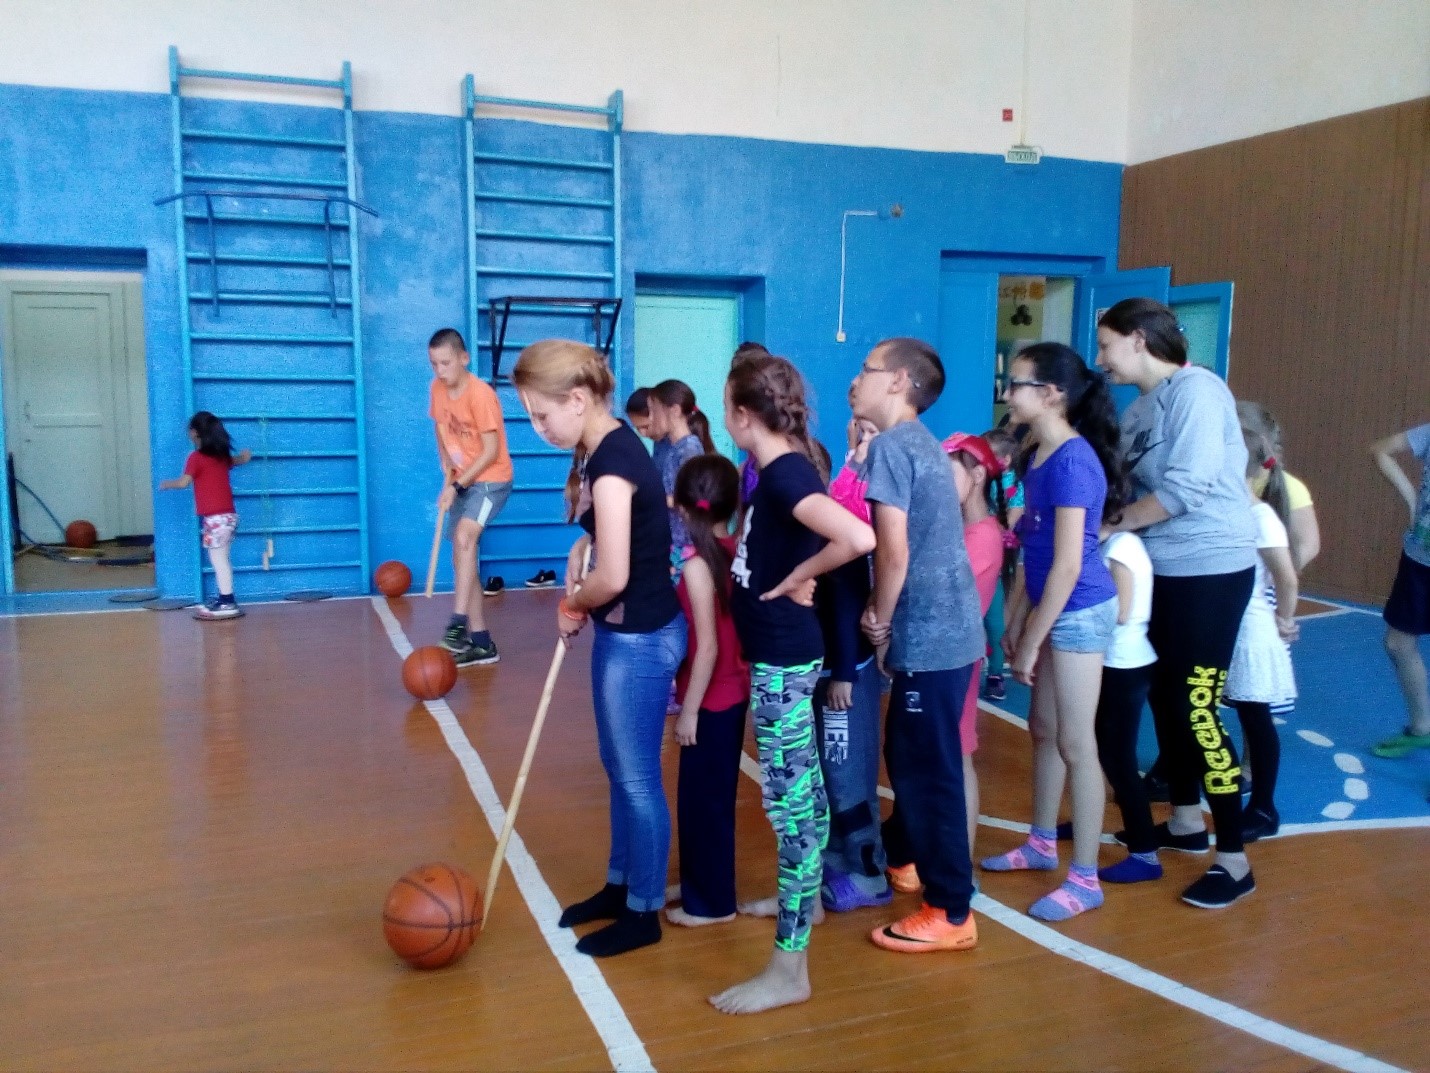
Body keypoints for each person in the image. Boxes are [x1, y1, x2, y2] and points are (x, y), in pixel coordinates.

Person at [713, 353, 875, 1015]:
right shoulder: (782, 468)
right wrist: (794, 571)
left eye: (726, 405)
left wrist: (796, 578)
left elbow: (857, 536)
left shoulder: (783, 474)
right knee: (799, 804)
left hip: (784, 661)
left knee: (793, 816)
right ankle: (809, 904)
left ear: (742, 414)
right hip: (780, 655)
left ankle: (789, 969)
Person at [512, 339, 685, 958]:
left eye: (542, 415)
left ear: (579, 399)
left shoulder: (612, 462)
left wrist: (572, 604)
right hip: (626, 633)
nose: (539, 429)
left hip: (641, 640)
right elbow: (616, 537)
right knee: (620, 768)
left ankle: (644, 910)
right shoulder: (605, 447)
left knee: (637, 779)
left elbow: (613, 576)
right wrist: (581, 545)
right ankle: (620, 885)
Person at [1096, 297, 1257, 909]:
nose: (1102, 358)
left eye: (1107, 344)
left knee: (1197, 705)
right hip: (1162, 566)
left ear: (1138, 339)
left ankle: (1234, 858)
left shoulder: (1198, 392)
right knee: (1166, 699)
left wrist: (1112, 525)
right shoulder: (1139, 408)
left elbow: (1185, 488)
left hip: (1210, 569)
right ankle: (1186, 820)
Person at [980, 343, 1126, 922]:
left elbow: (1067, 566)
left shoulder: (1072, 462)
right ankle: (1041, 842)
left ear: (1051, 394)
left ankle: (1085, 878)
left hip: (1079, 611)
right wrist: (1017, 619)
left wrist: (1034, 639)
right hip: (1050, 605)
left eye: (1015, 384)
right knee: (1043, 729)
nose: (1006, 394)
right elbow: (1031, 550)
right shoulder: (1036, 453)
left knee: (1076, 742)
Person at [852, 337, 985, 953]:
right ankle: (904, 857)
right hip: (949, 634)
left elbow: (893, 553)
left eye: (867, 370)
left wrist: (877, 621)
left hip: (932, 637)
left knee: (927, 772)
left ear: (899, 381)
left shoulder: (891, 448)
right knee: (911, 754)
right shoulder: (917, 444)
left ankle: (951, 911)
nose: (857, 381)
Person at [666, 454, 749, 928]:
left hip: (714, 699)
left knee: (708, 804)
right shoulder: (733, 549)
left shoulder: (699, 565)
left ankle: (714, 903)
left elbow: (709, 646)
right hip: (727, 693)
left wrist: (689, 710)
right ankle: (698, 881)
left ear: (681, 507)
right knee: (700, 799)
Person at [816, 416, 892, 913]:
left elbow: (845, 597)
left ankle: (868, 871)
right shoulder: (820, 517)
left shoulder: (839, 520)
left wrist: (843, 670)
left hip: (844, 672)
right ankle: (840, 857)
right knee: (830, 769)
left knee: (847, 772)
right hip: (826, 668)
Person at [1223, 416, 1300, 841]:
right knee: (1242, 714)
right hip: (1230, 627)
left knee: (1256, 720)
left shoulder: (1262, 517)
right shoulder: (1234, 512)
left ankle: (1264, 807)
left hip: (1252, 631)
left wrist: (1284, 620)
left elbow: (1286, 578)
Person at [428, 328, 515, 666]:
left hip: (491, 480)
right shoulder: (437, 389)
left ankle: (457, 624)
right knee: (461, 559)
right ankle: (481, 642)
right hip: (462, 477)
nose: (440, 371)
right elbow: (440, 427)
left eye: (446, 363)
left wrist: (457, 486)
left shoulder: (481, 395)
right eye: (434, 364)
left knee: (465, 538)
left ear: (464, 358)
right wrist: (446, 466)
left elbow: (491, 452)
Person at [942, 432, 1008, 855]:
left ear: (978, 476)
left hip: (957, 661)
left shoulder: (983, 535)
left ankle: (961, 864)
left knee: (957, 757)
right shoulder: (963, 529)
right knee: (946, 758)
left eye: (948, 474)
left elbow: (942, 588)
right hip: (946, 659)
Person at [1090, 524, 1161, 881]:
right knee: (1100, 750)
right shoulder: (1115, 544)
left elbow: (1121, 610)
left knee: (1118, 758)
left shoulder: (1122, 546)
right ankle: (1090, 819)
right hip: (1118, 660)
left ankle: (1145, 852)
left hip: (1124, 662)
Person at [1369, 420, 1430, 758]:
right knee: (1398, 642)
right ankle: (1422, 728)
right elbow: (1381, 450)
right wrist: (1411, 500)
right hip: (1420, 558)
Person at [159, 411, 252, 620]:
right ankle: (225, 598)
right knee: (222, 558)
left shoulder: (196, 458)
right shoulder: (221, 457)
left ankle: (227, 601)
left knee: (218, 560)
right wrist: (245, 457)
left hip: (216, 519)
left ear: (194, 433)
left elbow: (184, 482)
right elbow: (236, 460)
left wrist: (167, 484)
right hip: (228, 517)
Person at [648, 379, 715, 565]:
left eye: (654, 410)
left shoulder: (689, 448)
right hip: (672, 541)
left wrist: (653, 499)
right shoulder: (671, 447)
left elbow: (694, 499)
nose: (651, 418)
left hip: (685, 544)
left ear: (675, 410)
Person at [979, 427, 1024, 701]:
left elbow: (1012, 517)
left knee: (994, 622)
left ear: (1005, 460)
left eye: (988, 455)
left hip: (996, 562)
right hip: (974, 557)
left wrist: (991, 529)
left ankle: (995, 672)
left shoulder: (1012, 486)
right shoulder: (978, 479)